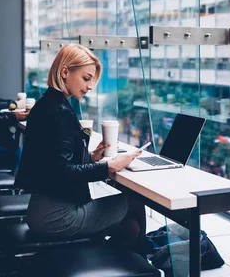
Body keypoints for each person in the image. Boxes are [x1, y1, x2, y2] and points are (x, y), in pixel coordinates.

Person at [15, 44, 147, 252]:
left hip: (40, 208)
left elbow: (52, 161)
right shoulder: (60, 112)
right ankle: (139, 267)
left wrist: (91, 157)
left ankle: (116, 264)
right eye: (86, 78)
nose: (90, 86)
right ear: (65, 71)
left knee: (131, 227)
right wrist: (110, 166)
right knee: (135, 203)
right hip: (57, 216)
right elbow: (62, 171)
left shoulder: (45, 104)